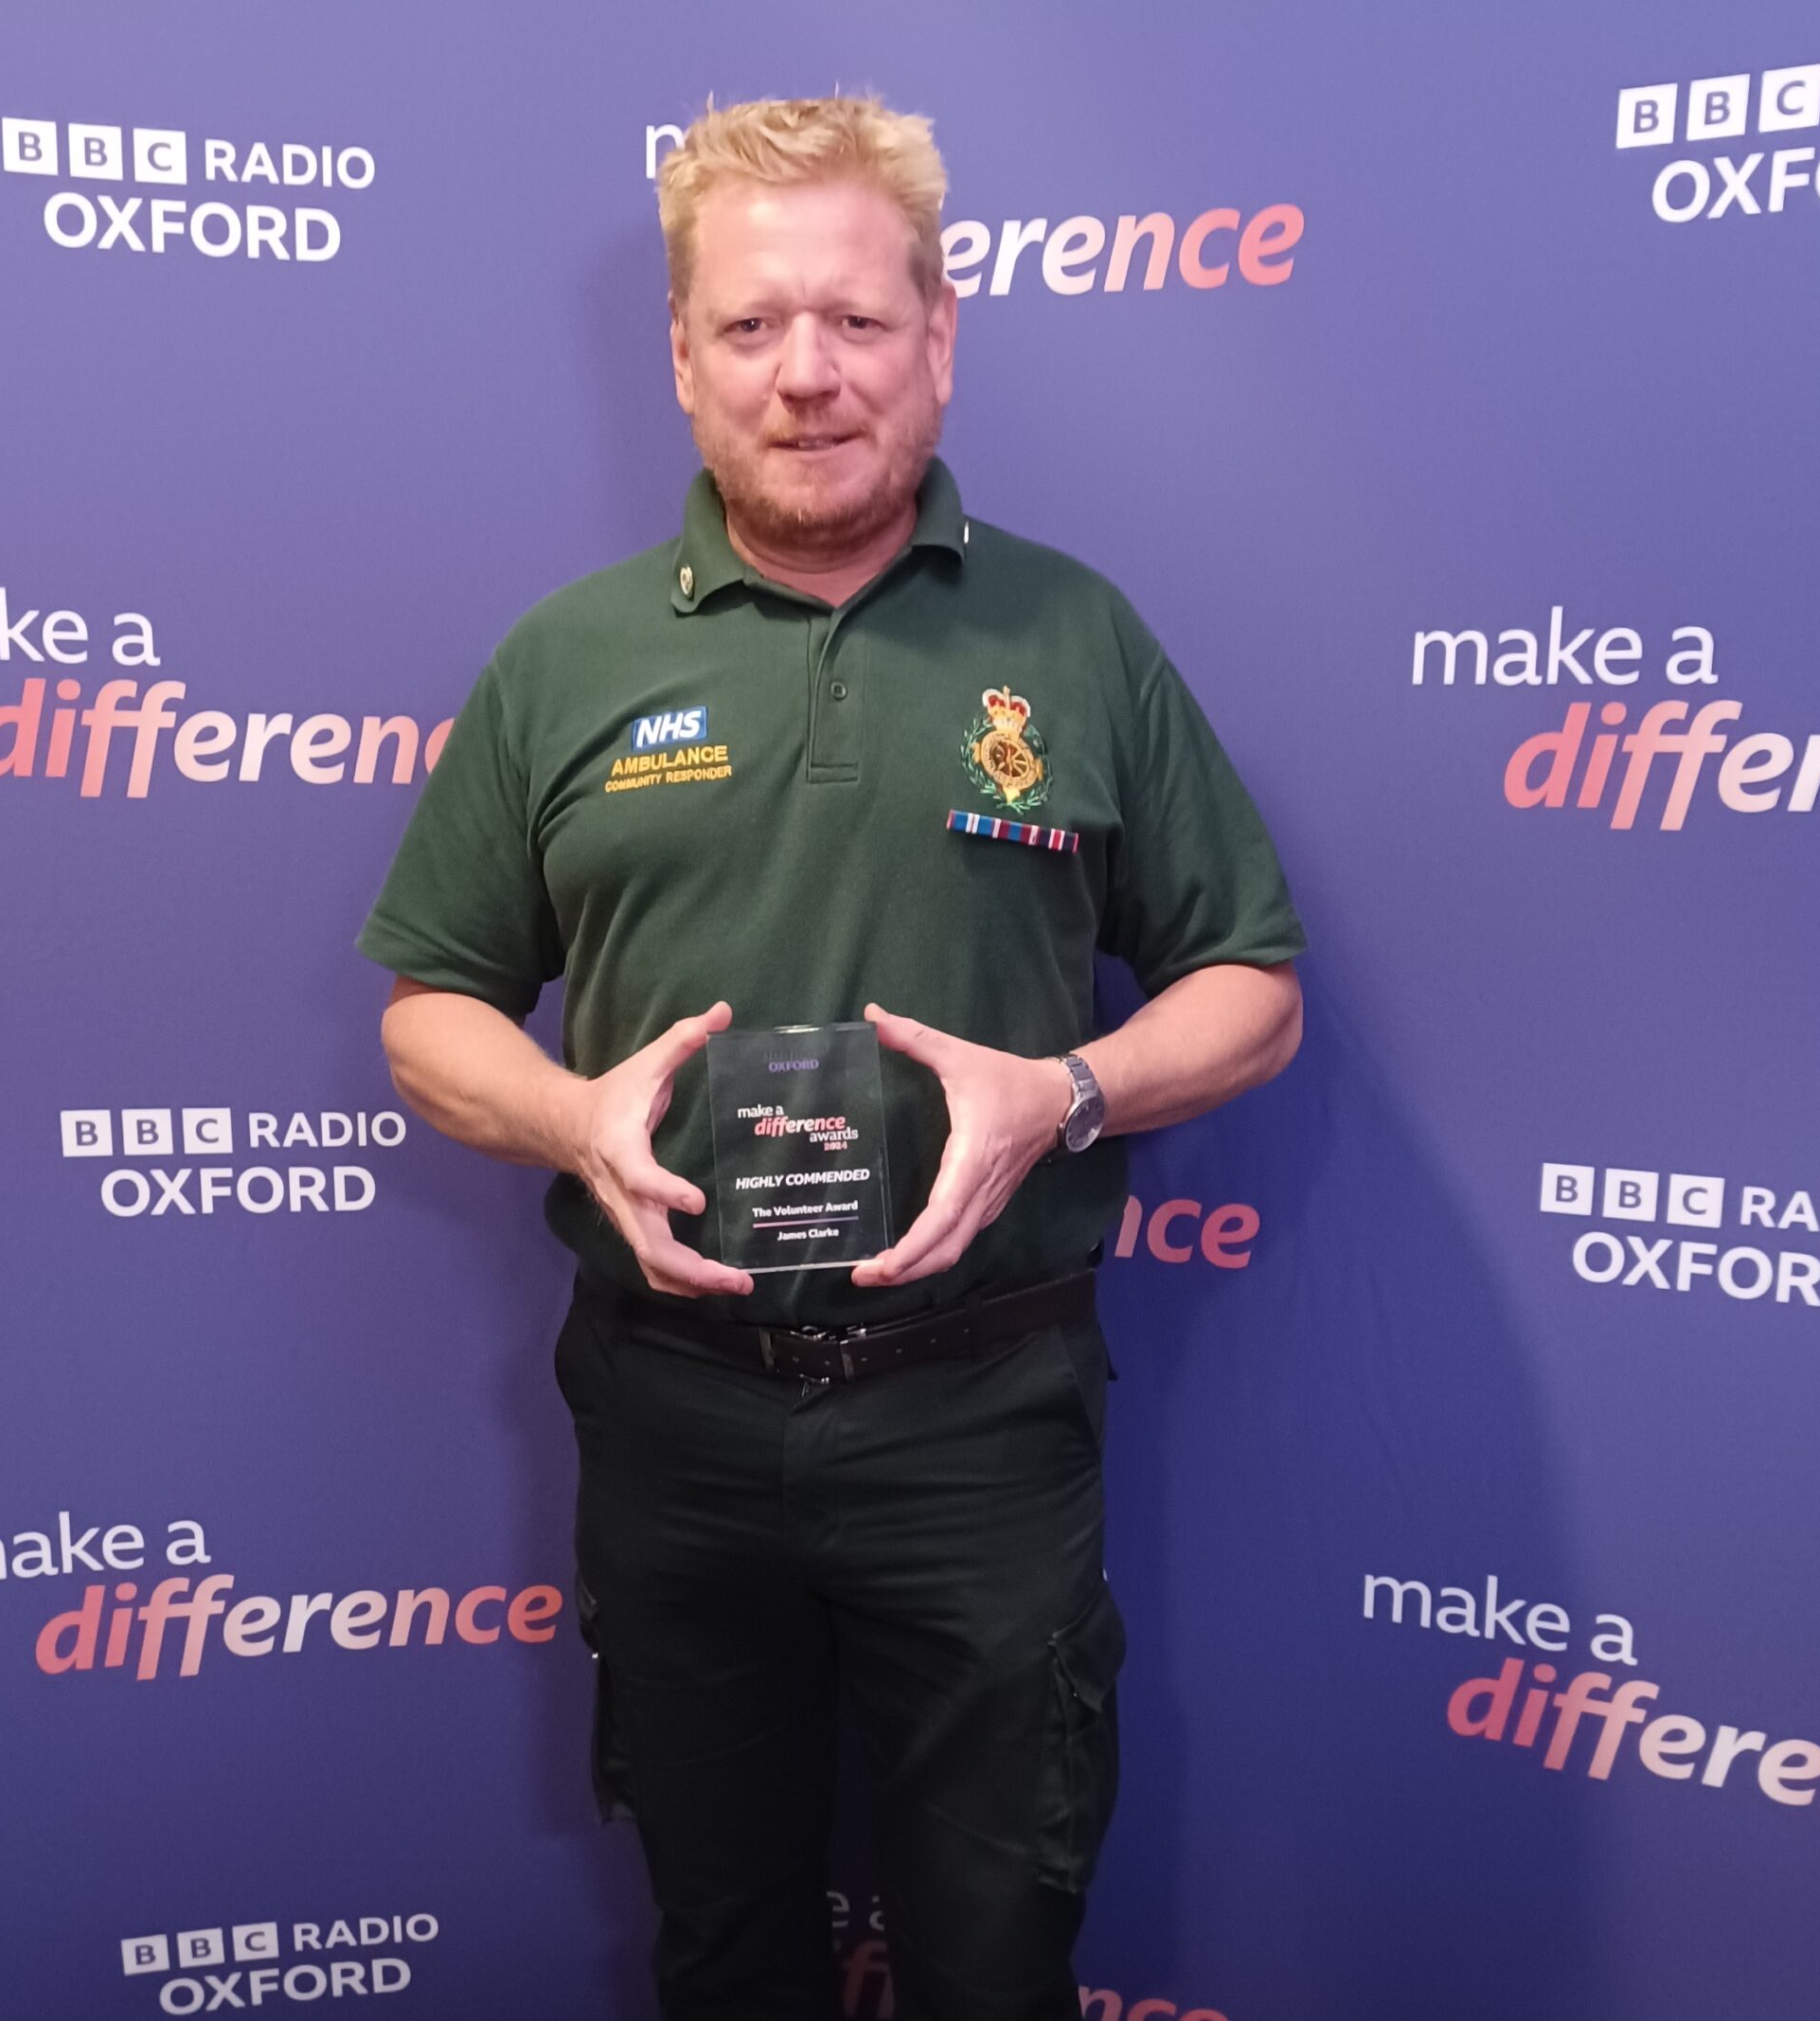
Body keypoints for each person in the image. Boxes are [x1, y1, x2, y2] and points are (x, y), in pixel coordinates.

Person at [358, 95, 1304, 2021]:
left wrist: (1069, 1087)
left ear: (938, 339)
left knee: (992, 1952)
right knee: (723, 1950)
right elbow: (427, 1007)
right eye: (752, 328)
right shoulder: (565, 658)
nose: (808, 377)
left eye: (857, 325)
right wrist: (564, 1106)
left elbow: (1254, 984)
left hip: (981, 1415)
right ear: (684, 362)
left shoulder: (1078, 637)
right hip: (673, 1416)